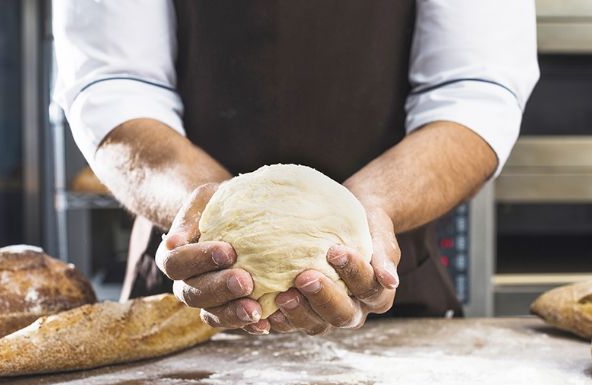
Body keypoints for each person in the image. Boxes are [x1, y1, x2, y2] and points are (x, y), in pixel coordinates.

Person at [53, 0, 539, 335]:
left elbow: (475, 87)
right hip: (185, 286)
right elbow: (113, 81)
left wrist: (373, 208)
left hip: (386, 286)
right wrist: (201, 204)